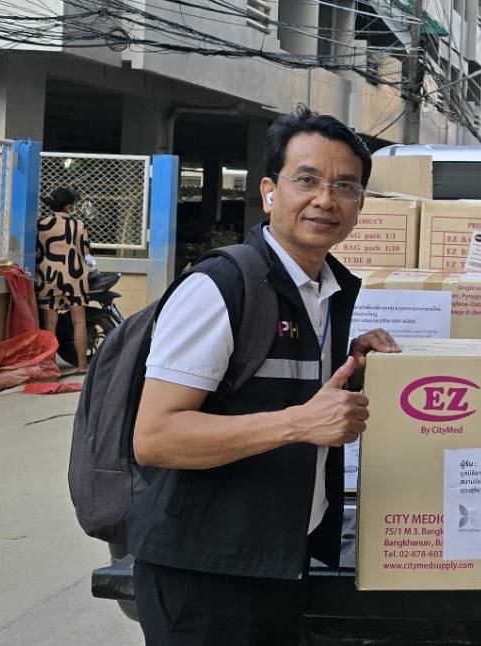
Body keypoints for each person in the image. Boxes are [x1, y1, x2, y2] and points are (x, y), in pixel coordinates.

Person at [128, 107, 400, 646]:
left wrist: (352, 371)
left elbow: (275, 390)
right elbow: (156, 437)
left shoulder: (323, 290)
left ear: (360, 205)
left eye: (345, 186)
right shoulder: (222, 287)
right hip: (205, 576)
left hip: (277, 560)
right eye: (307, 180)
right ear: (270, 192)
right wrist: (300, 423)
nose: (326, 199)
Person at [36, 187, 92, 371]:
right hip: (73, 277)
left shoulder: (41, 224)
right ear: (69, 207)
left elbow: (37, 252)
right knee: (79, 322)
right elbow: (85, 251)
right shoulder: (78, 225)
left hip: (47, 277)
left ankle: (50, 365)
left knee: (50, 324)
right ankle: (82, 365)